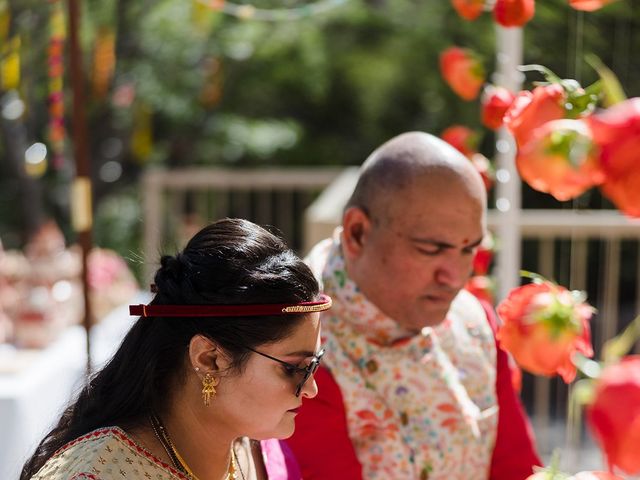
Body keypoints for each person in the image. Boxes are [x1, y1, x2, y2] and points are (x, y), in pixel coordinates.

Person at [287, 132, 541, 479]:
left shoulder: (474, 320)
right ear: (357, 232)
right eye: (431, 249)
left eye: (468, 249)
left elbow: (516, 468)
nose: (454, 276)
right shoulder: (290, 340)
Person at [21, 218, 331, 480]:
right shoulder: (94, 473)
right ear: (209, 359)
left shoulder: (255, 449)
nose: (312, 389)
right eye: (294, 369)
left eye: (314, 363)